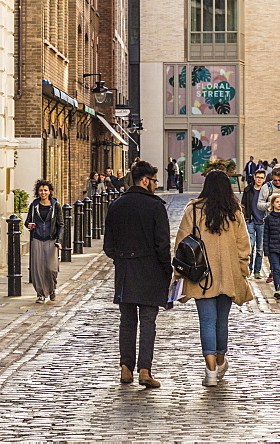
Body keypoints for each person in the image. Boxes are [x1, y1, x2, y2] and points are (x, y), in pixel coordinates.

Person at [174, 170, 252, 387]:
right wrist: (242, 270)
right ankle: (219, 361)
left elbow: (181, 243)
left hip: (201, 275)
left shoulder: (194, 210)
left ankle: (210, 372)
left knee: (207, 321)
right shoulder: (234, 211)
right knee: (221, 321)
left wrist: (180, 272)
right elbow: (243, 245)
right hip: (229, 273)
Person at [103, 160, 170, 388]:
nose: (155, 184)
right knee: (148, 321)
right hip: (150, 269)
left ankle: (125, 368)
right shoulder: (156, 206)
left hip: (125, 270)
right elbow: (163, 245)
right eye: (153, 180)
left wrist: (122, 258)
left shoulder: (116, 205)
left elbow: (108, 246)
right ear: (144, 180)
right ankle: (144, 370)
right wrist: (166, 270)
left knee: (127, 321)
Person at [24, 180, 63, 303]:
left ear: (50, 191)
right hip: (37, 238)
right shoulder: (34, 205)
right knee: (38, 269)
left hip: (51, 240)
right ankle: (40, 294)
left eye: (45, 190)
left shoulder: (56, 205)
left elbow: (61, 224)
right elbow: (27, 222)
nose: (43, 192)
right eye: (41, 190)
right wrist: (29, 225)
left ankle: (51, 290)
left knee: (51, 268)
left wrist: (59, 240)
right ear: (38, 192)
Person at [240, 169, 267, 279]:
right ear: (254, 178)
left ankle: (257, 271)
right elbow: (243, 205)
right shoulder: (248, 190)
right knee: (250, 246)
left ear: (264, 179)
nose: (259, 179)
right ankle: (249, 269)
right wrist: (245, 217)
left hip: (262, 222)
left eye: (261, 178)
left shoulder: (266, 191)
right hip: (250, 221)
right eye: (258, 177)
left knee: (260, 249)